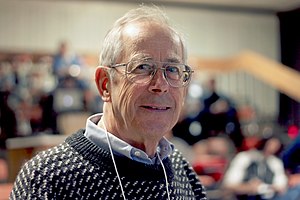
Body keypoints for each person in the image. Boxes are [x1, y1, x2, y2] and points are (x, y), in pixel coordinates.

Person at [10, 6, 207, 199]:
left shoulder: (181, 169)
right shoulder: (46, 180)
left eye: (173, 69)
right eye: (143, 67)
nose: (161, 85)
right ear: (105, 84)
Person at [222, 136, 287, 200]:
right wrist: (248, 187)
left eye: (275, 146)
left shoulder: (275, 163)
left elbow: (281, 186)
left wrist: (264, 187)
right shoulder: (244, 158)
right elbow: (229, 184)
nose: (271, 148)